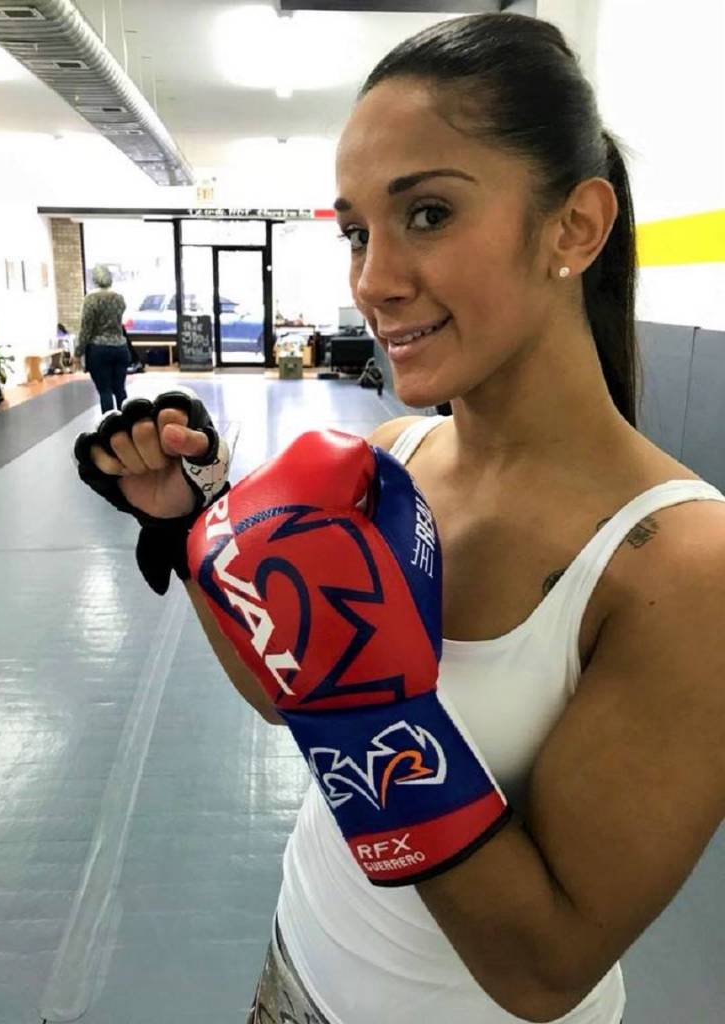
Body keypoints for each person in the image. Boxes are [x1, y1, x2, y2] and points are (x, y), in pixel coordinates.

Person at [73, 13, 725, 1024]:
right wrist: (195, 529)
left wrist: (375, 713)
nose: (373, 280)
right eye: (356, 232)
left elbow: (543, 970)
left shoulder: (684, 565)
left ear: (574, 228)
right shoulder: (392, 459)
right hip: (297, 964)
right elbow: (283, 696)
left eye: (427, 213)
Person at [76, 264, 129, 412]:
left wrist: (78, 352)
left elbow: (85, 329)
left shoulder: (91, 299)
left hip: (99, 350)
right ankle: (128, 420)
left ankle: (109, 423)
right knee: (120, 390)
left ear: (94, 279)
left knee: (105, 391)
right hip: (120, 348)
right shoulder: (119, 298)